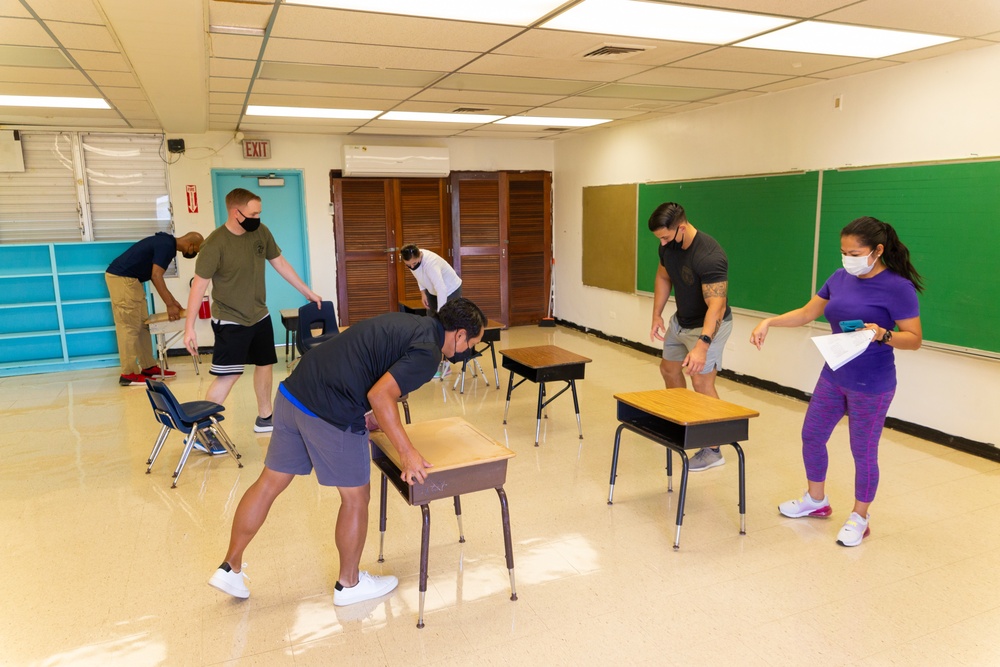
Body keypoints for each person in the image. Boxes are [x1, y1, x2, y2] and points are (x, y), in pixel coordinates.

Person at [207, 298, 487, 605]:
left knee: (269, 483)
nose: (468, 351)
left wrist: (370, 416)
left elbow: (366, 367)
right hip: (331, 409)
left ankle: (229, 567)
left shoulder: (409, 323)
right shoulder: (429, 351)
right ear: (459, 335)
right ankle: (349, 584)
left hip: (294, 392)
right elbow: (381, 395)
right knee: (356, 499)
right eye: (472, 343)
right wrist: (407, 452)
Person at [750, 216, 922, 547]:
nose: (847, 258)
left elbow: (914, 339)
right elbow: (806, 313)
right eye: (843, 251)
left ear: (877, 251)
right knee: (812, 435)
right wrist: (769, 321)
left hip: (872, 383)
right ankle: (816, 501)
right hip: (834, 374)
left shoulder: (898, 287)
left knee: (863, 451)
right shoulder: (839, 277)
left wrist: (882, 334)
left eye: (855, 252)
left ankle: (860, 517)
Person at [183, 188, 321, 439]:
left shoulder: (260, 232)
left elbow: (279, 262)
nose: (257, 217)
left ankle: (265, 417)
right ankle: (202, 431)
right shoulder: (214, 244)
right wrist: (189, 327)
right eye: (253, 213)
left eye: (259, 212)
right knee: (230, 374)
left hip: (259, 315)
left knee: (265, 364)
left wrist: (307, 291)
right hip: (230, 318)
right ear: (236, 213)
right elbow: (199, 285)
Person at [648, 202, 733, 471]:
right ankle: (683, 423)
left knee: (701, 382)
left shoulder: (709, 255)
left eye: (665, 236)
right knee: (669, 370)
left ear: (681, 228)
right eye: (659, 238)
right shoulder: (668, 246)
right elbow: (663, 277)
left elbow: (716, 306)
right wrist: (657, 314)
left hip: (709, 325)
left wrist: (702, 346)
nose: (662, 242)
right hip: (681, 321)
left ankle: (713, 449)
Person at [105, 231, 203, 386]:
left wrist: (172, 301)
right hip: (123, 280)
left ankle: (148, 366)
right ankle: (128, 374)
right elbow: (156, 276)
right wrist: (169, 304)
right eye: (196, 251)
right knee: (129, 327)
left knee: (143, 326)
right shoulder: (166, 246)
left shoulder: (166, 243)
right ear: (191, 245)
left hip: (131, 281)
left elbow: (155, 275)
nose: (194, 254)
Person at [401, 244, 463, 378]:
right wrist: (423, 293)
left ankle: (445, 365)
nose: (412, 267)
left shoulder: (431, 263)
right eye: (408, 265)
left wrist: (441, 314)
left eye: (414, 263)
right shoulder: (413, 262)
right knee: (431, 324)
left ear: (420, 256)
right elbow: (419, 276)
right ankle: (432, 361)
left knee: (445, 326)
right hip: (432, 290)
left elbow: (442, 289)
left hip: (450, 289)